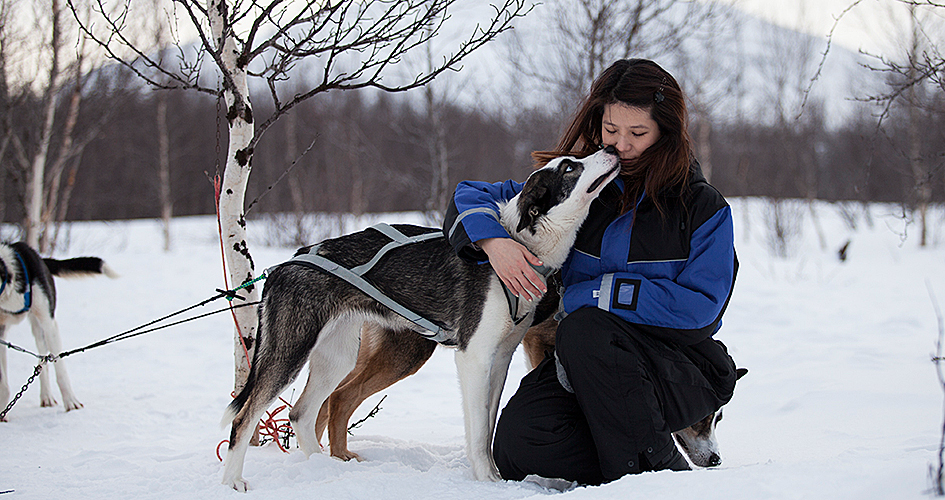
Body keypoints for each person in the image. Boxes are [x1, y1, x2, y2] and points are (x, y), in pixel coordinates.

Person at [442, 59, 739, 485]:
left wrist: (596, 293)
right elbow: (470, 194)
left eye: (638, 133)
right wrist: (494, 241)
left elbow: (700, 309)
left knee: (586, 328)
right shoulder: (581, 187)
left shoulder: (703, 208)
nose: (620, 145)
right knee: (518, 446)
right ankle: (631, 457)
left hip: (676, 370)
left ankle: (659, 476)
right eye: (610, 130)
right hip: (585, 369)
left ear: (666, 133)